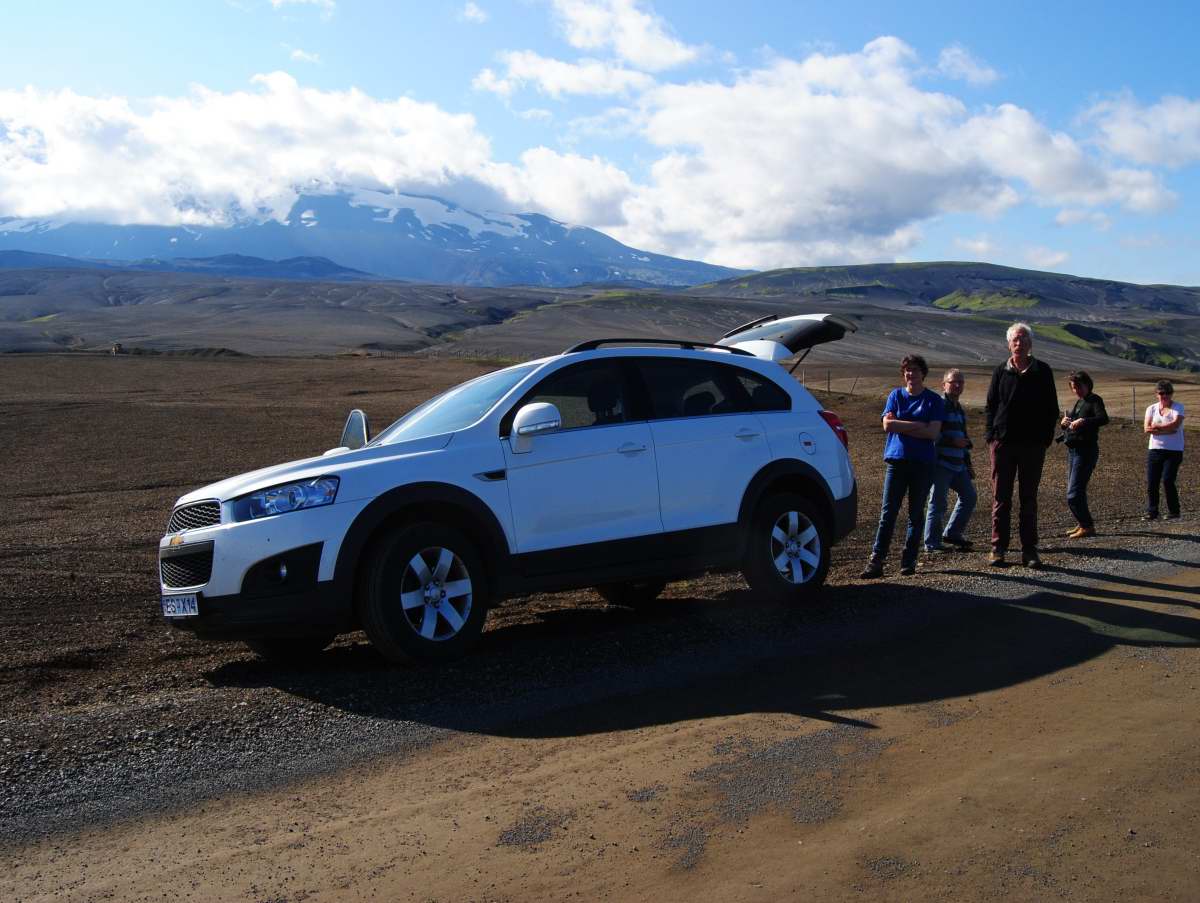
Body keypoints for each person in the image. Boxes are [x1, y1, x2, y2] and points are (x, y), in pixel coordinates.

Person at [861, 354, 944, 579]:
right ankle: (876, 561)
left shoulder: (933, 400)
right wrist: (918, 425)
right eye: (907, 370)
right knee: (888, 513)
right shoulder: (895, 395)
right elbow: (887, 425)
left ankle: (908, 562)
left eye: (915, 369)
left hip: (922, 464)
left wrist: (901, 425)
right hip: (897, 462)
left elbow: (933, 432)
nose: (911, 374)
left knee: (915, 514)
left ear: (923, 373)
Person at [984, 323, 1059, 568]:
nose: (1020, 343)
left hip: (1032, 446)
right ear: (1009, 344)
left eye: (1024, 339)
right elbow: (991, 406)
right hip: (1003, 444)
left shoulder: (1043, 371)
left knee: (1029, 498)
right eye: (1016, 339)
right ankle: (998, 548)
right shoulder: (1000, 372)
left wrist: (1045, 439)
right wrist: (991, 437)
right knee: (1001, 497)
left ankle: (1029, 549)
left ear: (1031, 344)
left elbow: (1051, 408)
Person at [924, 368, 977, 553]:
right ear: (944, 384)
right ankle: (931, 543)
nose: (957, 385)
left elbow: (962, 436)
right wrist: (952, 441)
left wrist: (967, 462)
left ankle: (952, 533)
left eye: (960, 382)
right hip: (941, 462)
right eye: (953, 382)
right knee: (938, 502)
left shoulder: (959, 408)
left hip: (958, 463)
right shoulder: (939, 405)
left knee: (969, 496)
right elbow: (931, 433)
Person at [1059, 370, 1109, 538]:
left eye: (1079, 386)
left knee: (1073, 493)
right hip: (1074, 451)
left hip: (1086, 451)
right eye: (1074, 388)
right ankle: (1083, 524)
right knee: (1075, 491)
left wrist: (1084, 421)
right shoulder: (1080, 402)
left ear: (1087, 384)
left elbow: (1103, 419)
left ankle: (1087, 526)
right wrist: (1065, 423)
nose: (1077, 390)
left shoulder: (1095, 400)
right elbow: (1071, 424)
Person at [1144, 379, 1185, 520]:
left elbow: (1175, 425)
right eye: (1161, 393)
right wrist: (1166, 430)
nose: (1164, 396)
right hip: (1155, 449)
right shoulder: (1151, 408)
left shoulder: (1178, 407)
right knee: (1152, 482)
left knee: (1168, 480)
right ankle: (1152, 511)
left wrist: (1157, 427)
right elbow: (1147, 428)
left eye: (1168, 393)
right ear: (1156, 394)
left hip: (1174, 450)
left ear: (1172, 394)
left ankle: (1174, 511)